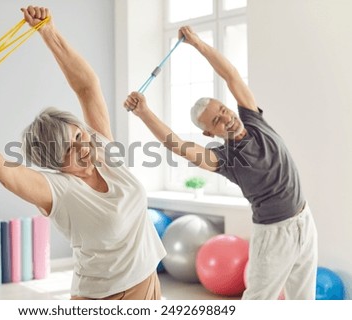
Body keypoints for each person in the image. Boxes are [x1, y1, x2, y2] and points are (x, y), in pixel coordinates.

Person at [0, 6, 165, 300]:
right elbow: (1, 169)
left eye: (80, 135)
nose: (84, 147)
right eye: (70, 149)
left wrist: (48, 31)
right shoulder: (58, 190)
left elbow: (87, 87)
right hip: (105, 297)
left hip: (148, 282)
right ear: (55, 163)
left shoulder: (103, 148)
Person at [124, 26, 318, 300]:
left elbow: (230, 75)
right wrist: (143, 112)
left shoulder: (253, 119)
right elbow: (177, 145)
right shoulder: (225, 158)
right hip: (273, 234)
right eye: (216, 121)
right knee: (258, 301)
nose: (226, 118)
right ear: (209, 133)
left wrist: (198, 44)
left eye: (223, 111)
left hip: (304, 220)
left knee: (305, 301)